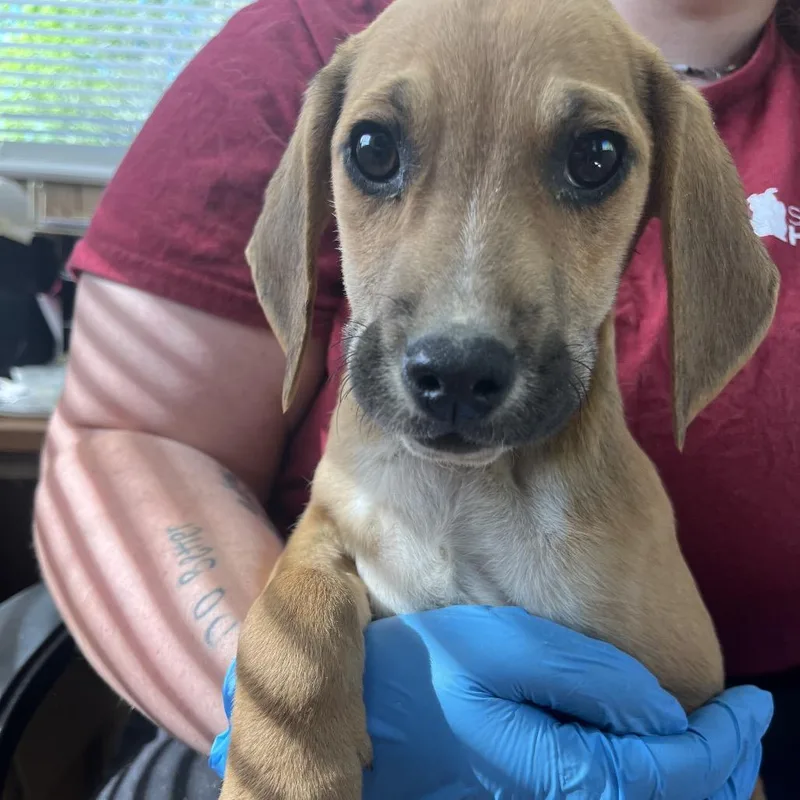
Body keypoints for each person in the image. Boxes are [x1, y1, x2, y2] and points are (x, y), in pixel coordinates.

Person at [32, 0, 798, 796]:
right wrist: (286, 708)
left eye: (591, 160)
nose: (463, 328)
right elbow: (126, 440)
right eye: (376, 153)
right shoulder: (313, 32)